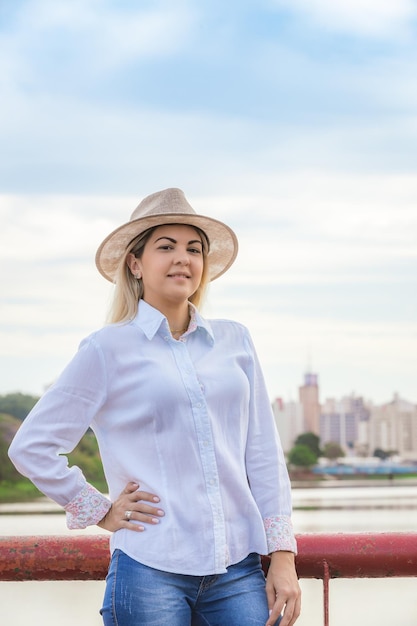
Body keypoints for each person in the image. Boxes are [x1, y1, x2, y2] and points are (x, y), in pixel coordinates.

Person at [9, 188, 301, 626]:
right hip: (150, 568)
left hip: (238, 568)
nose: (183, 258)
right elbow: (30, 446)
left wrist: (283, 558)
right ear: (136, 263)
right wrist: (99, 510)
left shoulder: (235, 341)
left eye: (194, 249)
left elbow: (262, 454)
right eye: (166, 247)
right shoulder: (107, 349)